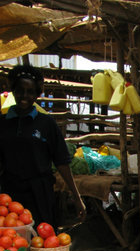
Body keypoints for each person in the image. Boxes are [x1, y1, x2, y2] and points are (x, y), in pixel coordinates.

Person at [0, 64, 86, 227]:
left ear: (37, 94)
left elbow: (61, 162)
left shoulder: (46, 124)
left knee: (42, 242)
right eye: (19, 90)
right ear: (13, 91)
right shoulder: (2, 124)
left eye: (30, 92)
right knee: (12, 242)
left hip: (40, 195)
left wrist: (77, 197)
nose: (24, 96)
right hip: (10, 196)